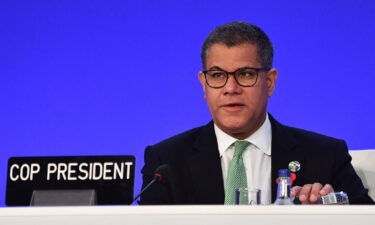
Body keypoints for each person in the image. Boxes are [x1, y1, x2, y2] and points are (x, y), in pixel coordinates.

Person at [139, 21, 373, 205]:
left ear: (270, 82)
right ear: (204, 83)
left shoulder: (325, 155)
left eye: (246, 74)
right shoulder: (166, 161)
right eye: (218, 75)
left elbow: (365, 215)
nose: (231, 89)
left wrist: (332, 208)